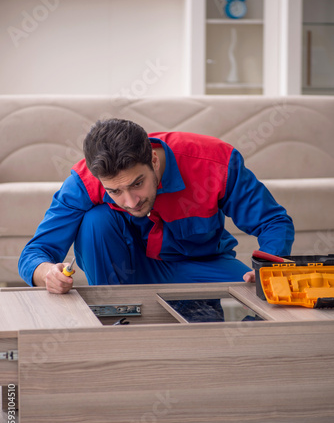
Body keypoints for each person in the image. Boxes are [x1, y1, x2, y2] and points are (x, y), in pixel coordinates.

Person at [18, 118, 295, 294]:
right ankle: (115, 318)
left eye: (137, 184)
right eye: (115, 191)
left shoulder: (215, 163)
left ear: (153, 159)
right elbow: (35, 253)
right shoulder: (84, 182)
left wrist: (266, 269)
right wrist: (47, 274)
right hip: (125, 276)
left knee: (256, 294)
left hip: (201, 268)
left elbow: (273, 222)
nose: (130, 201)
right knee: (95, 220)